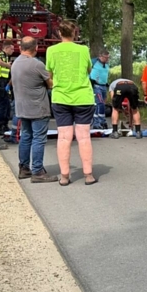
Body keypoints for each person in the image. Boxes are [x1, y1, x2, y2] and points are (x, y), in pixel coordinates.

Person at [46, 20, 97, 185]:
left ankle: (65, 176)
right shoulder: (83, 50)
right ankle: (88, 174)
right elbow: (89, 70)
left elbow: (49, 74)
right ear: (75, 33)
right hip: (83, 97)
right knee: (83, 137)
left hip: (61, 97)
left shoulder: (51, 50)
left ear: (59, 33)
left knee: (63, 138)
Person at [10, 37, 57, 183]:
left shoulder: (15, 63)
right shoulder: (37, 64)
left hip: (22, 107)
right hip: (38, 107)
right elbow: (50, 84)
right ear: (35, 48)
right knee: (38, 138)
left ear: (20, 47)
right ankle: (37, 171)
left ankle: (24, 168)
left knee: (26, 136)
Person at [0, 41, 15, 140]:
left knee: (6, 106)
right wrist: (9, 66)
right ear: (7, 48)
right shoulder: (0, 54)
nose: (13, 51)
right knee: (2, 106)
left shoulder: (5, 56)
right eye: (12, 49)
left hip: (2, 82)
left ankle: (4, 125)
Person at [90, 49, 111, 129]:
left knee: (103, 104)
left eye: (108, 58)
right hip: (96, 86)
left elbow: (105, 74)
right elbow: (87, 70)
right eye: (105, 58)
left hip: (103, 86)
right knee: (100, 103)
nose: (107, 59)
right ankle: (97, 122)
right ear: (100, 56)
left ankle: (102, 121)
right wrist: (90, 80)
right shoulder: (93, 62)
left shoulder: (107, 64)